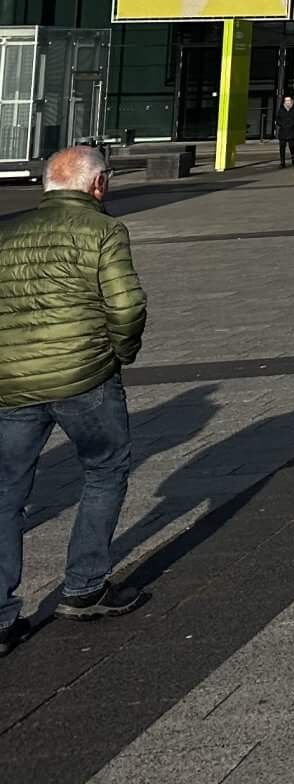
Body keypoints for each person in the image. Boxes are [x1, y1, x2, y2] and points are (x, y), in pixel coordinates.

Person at [0, 144, 151, 651]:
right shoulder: (102, 230)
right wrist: (121, 352)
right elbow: (127, 306)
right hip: (85, 377)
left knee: (6, 492)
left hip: (12, 383)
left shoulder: (8, 232)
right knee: (105, 470)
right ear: (98, 184)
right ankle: (84, 588)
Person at [274, 93, 294, 168]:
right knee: (282, 147)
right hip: (283, 131)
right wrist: (281, 124)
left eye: (288, 100)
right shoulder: (281, 109)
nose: (287, 102)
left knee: (292, 146)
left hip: (292, 131)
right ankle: (282, 162)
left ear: (292, 101)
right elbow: (277, 119)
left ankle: (293, 160)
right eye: (286, 100)